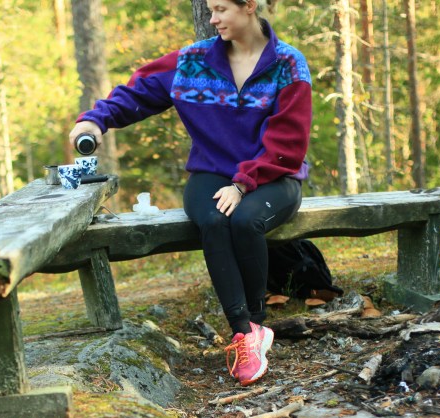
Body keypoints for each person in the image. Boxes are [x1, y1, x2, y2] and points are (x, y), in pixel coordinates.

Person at [69, 0, 311, 386]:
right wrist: (95, 121)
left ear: (249, 7)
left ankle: (257, 322)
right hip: (211, 173)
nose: (212, 19)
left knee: (246, 220)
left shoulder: (288, 63)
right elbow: (138, 92)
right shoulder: (192, 61)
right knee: (214, 221)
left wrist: (243, 183)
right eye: (210, 10)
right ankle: (244, 334)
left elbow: (289, 142)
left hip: (275, 175)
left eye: (220, 9)